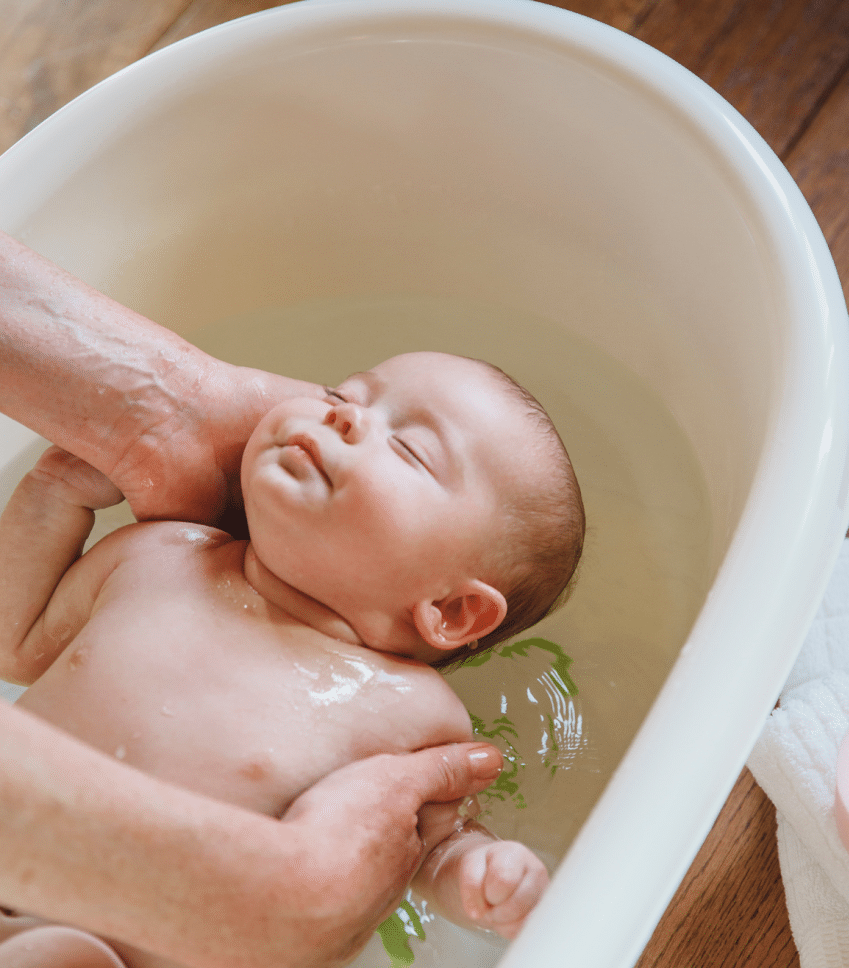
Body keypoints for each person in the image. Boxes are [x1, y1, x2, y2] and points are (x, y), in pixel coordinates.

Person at [0, 231, 509, 968]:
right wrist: (53, 493)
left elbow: (413, 844)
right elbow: (17, 643)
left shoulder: (413, 709)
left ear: (452, 611)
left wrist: (476, 875)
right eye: (342, 393)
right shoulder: (159, 555)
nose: (342, 415)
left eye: (408, 449)